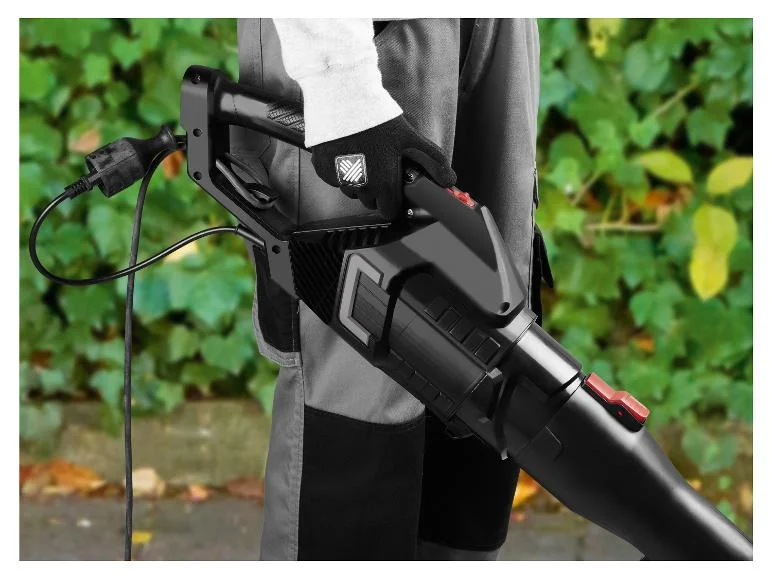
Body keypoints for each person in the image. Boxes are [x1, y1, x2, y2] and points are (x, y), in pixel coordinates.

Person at [230, 18, 543, 561]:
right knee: (360, 381)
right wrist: (340, 83)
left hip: (497, 26)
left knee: (493, 337)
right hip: (366, 34)